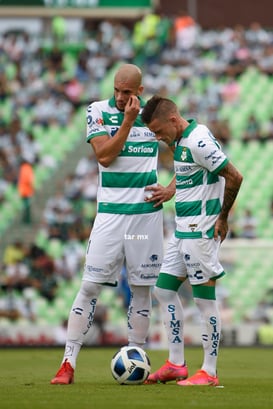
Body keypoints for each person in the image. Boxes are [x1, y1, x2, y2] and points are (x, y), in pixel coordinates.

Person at [50, 64, 169, 385]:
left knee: (143, 290)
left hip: (145, 216)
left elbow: (181, 155)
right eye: (116, 90)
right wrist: (128, 122)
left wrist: (170, 188)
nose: (119, 97)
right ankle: (67, 363)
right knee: (89, 286)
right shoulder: (97, 111)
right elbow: (104, 156)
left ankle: (137, 357)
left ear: (139, 92)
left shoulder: (153, 118)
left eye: (127, 92)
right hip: (111, 216)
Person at [140, 95, 243, 386]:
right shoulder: (181, 141)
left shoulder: (199, 141)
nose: (159, 138)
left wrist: (223, 218)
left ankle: (209, 372)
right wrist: (172, 190)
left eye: (159, 131)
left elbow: (235, 177)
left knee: (204, 300)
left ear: (173, 120)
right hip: (181, 229)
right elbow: (187, 170)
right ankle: (176, 363)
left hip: (202, 231)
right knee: (163, 290)